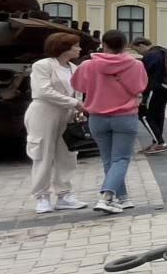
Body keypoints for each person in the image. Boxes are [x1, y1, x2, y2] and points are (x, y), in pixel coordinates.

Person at [72, 30, 147, 214]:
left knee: (108, 159)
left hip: (97, 117)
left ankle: (123, 198)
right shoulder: (136, 65)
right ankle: (107, 196)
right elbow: (140, 87)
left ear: (103, 44)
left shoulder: (88, 65)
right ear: (125, 45)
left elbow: (78, 86)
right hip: (125, 116)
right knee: (121, 158)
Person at [25, 33, 89, 214]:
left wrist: (77, 109)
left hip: (67, 113)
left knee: (68, 154)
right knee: (43, 153)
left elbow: (78, 92)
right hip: (44, 111)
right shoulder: (43, 65)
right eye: (76, 46)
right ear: (64, 48)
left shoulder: (74, 68)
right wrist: (75, 104)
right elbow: (43, 91)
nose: (79, 49)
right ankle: (42, 196)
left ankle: (64, 194)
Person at [133, 38, 167, 156]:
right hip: (166, 87)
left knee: (144, 114)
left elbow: (143, 74)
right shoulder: (163, 52)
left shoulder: (151, 56)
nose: (138, 53)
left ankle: (160, 142)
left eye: (137, 50)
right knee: (158, 114)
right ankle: (156, 141)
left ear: (141, 45)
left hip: (153, 88)